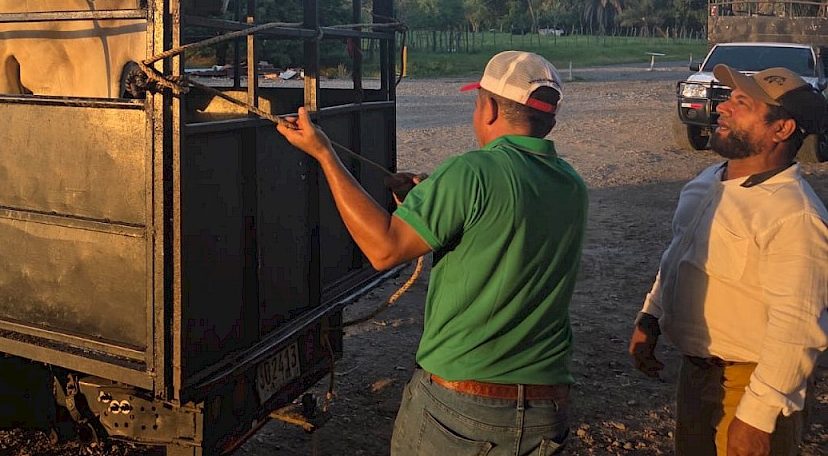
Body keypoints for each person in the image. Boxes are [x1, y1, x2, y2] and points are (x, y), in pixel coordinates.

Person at [276, 50, 588, 455]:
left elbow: (384, 250)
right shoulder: (572, 184)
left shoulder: (471, 171)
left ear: (489, 108)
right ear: (549, 118)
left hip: (463, 410)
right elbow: (495, 228)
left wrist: (324, 155)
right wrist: (422, 204)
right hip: (546, 410)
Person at [630, 65, 828, 456]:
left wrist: (757, 417)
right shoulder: (707, 181)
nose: (723, 108)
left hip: (751, 384)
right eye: (729, 98)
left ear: (782, 129)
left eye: (742, 103)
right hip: (697, 374)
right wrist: (650, 317)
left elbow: (797, 328)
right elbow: (679, 254)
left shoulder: (795, 216)